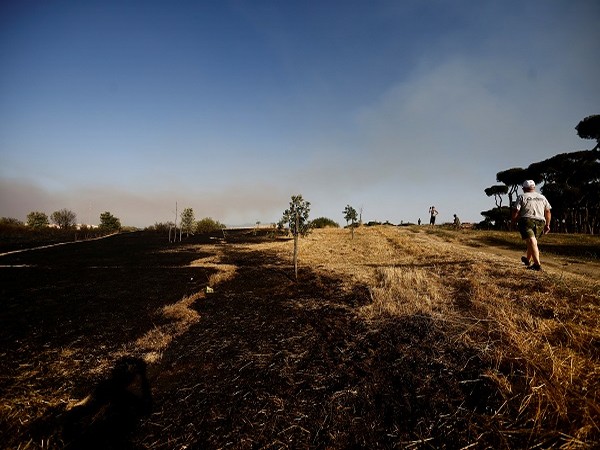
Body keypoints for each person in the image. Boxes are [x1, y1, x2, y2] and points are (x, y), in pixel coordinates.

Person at [511, 180, 552, 271]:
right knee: (532, 241)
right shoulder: (542, 197)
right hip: (541, 221)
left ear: (524, 188)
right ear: (534, 188)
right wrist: (547, 225)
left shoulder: (522, 196)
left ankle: (537, 265)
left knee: (532, 241)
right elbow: (548, 211)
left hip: (527, 221)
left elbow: (516, 211)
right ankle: (528, 260)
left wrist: (513, 222)